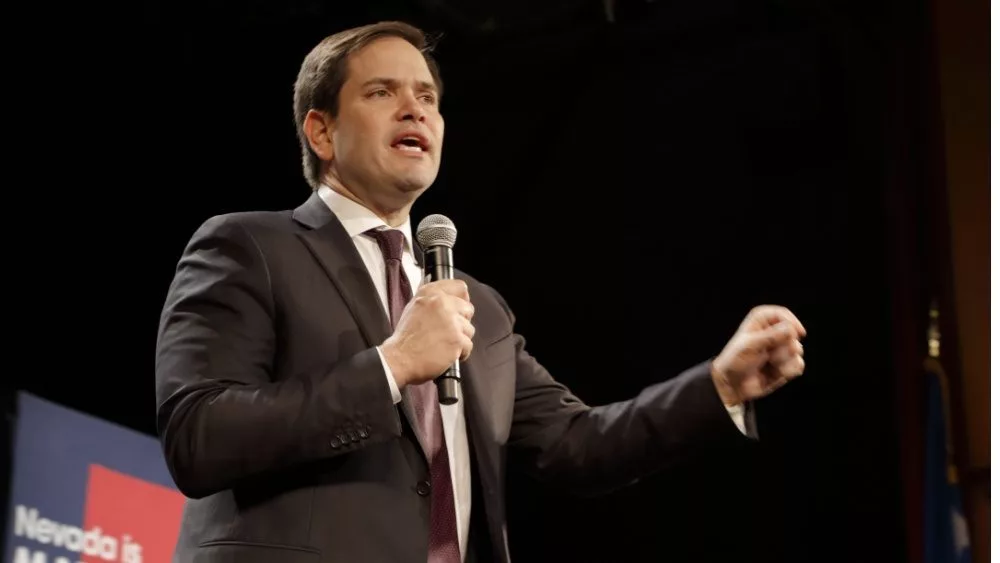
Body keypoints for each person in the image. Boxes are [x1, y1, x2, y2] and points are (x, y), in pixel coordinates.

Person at [154, 20, 807, 563]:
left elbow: (578, 444)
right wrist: (393, 365)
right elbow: (199, 434)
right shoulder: (250, 247)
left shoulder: (476, 307)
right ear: (321, 131)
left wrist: (719, 384)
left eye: (429, 97)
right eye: (383, 92)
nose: (416, 109)